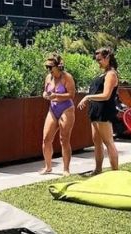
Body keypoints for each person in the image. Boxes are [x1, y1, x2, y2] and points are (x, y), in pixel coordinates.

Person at [77, 47, 119, 175]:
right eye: (97, 60)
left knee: (108, 142)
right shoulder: (103, 73)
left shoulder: (111, 74)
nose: (98, 62)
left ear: (107, 58)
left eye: (100, 59)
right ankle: (98, 170)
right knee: (97, 142)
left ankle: (115, 173)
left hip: (104, 111)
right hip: (95, 111)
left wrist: (88, 97)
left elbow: (106, 95)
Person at [39, 54, 76, 176]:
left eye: (50, 67)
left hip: (66, 109)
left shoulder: (67, 77)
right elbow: (46, 90)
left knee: (64, 140)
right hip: (53, 108)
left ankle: (66, 169)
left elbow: (71, 95)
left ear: (58, 66)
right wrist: (45, 94)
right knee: (46, 139)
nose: (48, 69)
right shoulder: (48, 77)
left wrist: (57, 96)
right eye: (47, 67)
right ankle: (48, 167)